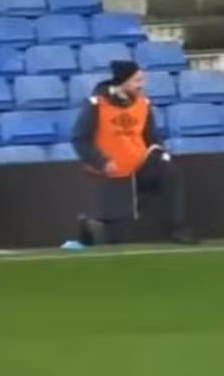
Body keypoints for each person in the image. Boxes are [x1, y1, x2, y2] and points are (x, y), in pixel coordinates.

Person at [71, 60, 193, 246]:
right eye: (137, 80)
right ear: (123, 81)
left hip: (139, 168)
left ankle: (178, 227)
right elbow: (80, 139)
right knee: (115, 236)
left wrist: (159, 154)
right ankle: (93, 226)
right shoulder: (96, 104)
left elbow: (151, 138)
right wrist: (102, 163)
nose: (141, 85)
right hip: (109, 174)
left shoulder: (144, 104)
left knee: (170, 171)